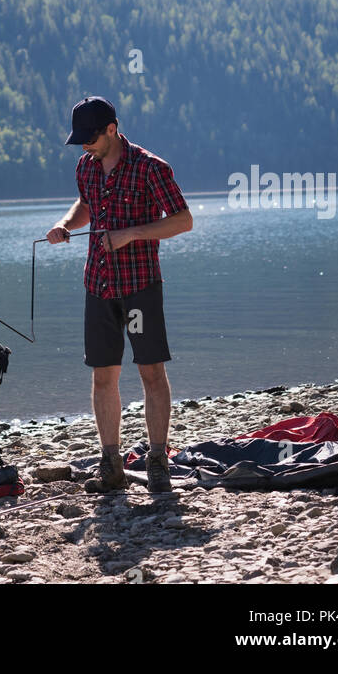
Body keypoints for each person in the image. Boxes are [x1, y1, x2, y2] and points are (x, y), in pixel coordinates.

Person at [46, 97, 193, 495]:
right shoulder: (86, 167)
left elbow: (183, 220)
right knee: (102, 376)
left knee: (151, 372)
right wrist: (63, 224)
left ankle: (158, 461)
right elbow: (85, 205)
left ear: (112, 129)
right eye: (79, 140)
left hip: (140, 286)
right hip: (98, 285)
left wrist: (130, 234)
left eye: (90, 138)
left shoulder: (150, 167)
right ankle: (110, 463)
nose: (84, 146)